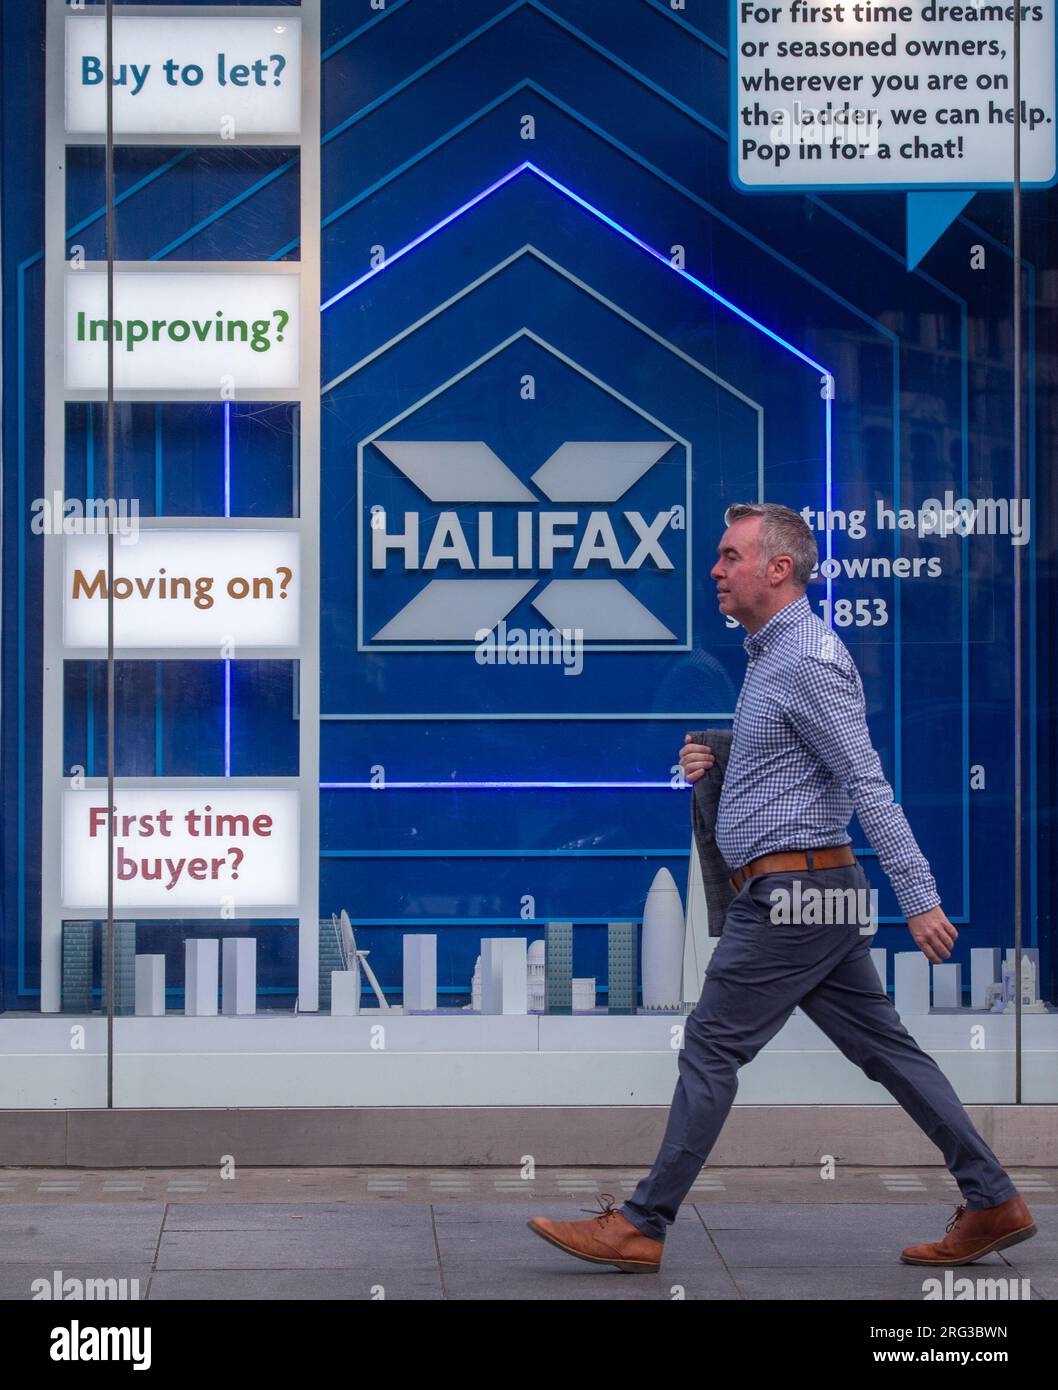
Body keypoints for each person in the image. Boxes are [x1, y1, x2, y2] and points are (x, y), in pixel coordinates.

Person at [529, 502, 1035, 1274]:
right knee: (886, 1051)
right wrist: (717, 762)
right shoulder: (771, 657)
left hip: (795, 897)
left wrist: (920, 896)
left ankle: (642, 1222)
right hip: (814, 897)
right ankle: (993, 1197)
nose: (715, 570)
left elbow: (864, 779)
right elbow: (798, 767)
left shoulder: (806, 660)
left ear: (779, 568)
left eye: (730, 556)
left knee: (710, 1044)